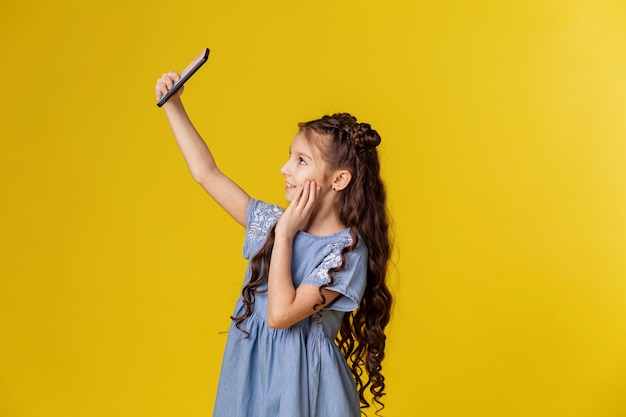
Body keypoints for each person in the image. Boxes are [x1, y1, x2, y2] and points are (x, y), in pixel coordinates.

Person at [154, 70, 393, 417]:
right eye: (289, 156)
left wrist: (284, 235)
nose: (285, 169)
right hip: (252, 374)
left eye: (300, 161)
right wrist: (173, 106)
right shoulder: (272, 222)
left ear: (339, 179)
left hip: (305, 387)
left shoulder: (344, 252)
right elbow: (207, 174)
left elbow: (280, 314)